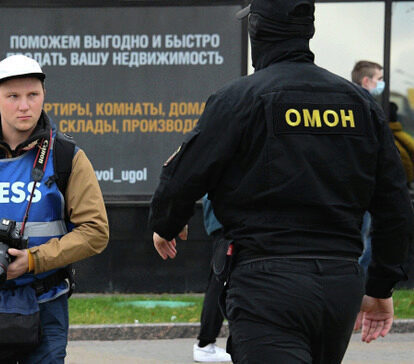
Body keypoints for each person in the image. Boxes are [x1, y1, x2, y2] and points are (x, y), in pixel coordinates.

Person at [148, 1, 413, 363]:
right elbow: (395, 204)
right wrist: (381, 287)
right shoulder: (359, 105)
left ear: (257, 30)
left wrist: (165, 222)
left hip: (267, 285)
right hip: (339, 283)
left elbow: (184, 175)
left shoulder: (240, 98)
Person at [0, 54, 109, 363]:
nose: (24, 106)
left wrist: (32, 260)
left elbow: (96, 232)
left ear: (44, 96)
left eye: (33, 95)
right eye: (13, 96)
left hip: (44, 302)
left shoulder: (67, 156)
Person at [351, 60, 386, 272]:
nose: (382, 84)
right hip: (361, 187)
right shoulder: (366, 108)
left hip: (353, 186)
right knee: (361, 244)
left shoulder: (347, 103)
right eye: (379, 79)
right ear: (367, 80)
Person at [193, 195, 232, 362]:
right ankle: (205, 343)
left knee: (219, 279)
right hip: (227, 220)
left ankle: (206, 343)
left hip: (223, 219)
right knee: (220, 281)